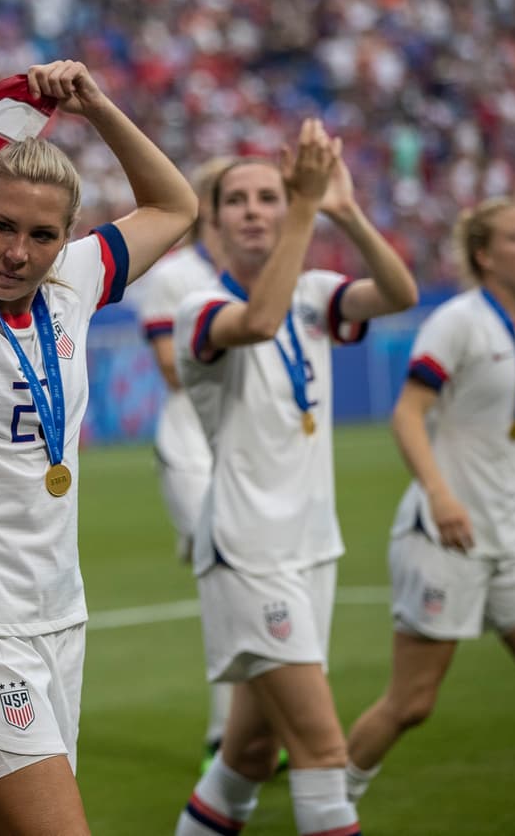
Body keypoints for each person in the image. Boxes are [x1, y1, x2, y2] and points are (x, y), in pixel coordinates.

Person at [0, 60, 198, 835]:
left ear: (67, 237)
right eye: (2, 227)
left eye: (43, 235)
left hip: (59, 617)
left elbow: (176, 204)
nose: (19, 253)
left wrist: (97, 105)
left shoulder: (78, 282)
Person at [170, 120, 418, 836]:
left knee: (251, 750)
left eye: (269, 196)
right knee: (322, 747)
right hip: (250, 553)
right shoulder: (201, 310)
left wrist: (341, 208)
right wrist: (306, 209)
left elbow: (398, 294)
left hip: (311, 547)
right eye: (237, 200)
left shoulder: (315, 290)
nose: (254, 209)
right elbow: (260, 319)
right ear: (213, 225)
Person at [343, 199, 515, 836]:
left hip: (511, 531)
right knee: (412, 704)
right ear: (485, 255)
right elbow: (407, 413)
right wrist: (440, 494)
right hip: (441, 533)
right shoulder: (456, 322)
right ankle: (330, 805)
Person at [137, 155, 239, 774]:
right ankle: (226, 740)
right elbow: (173, 366)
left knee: (247, 583)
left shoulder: (267, 276)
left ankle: (244, 731)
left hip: (248, 447)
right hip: (192, 446)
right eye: (235, 200)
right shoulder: (176, 276)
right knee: (226, 581)